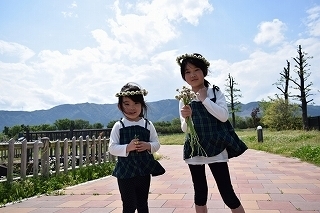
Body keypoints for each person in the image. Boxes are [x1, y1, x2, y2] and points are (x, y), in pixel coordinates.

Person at [176, 53, 247, 213]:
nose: (192, 74)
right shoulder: (184, 98)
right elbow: (184, 129)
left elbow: (223, 116)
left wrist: (204, 100)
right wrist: (186, 118)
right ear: (183, 76)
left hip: (216, 147)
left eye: (196, 69)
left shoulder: (215, 92)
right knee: (200, 192)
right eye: (187, 72)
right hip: (195, 148)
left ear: (204, 71)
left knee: (227, 192)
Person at [108, 82, 165, 213]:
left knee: (142, 203)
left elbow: (156, 144)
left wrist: (148, 146)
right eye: (127, 104)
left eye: (136, 103)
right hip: (125, 172)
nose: (131, 108)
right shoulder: (119, 125)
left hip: (144, 171)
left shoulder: (147, 124)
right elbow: (112, 147)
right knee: (129, 205)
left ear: (142, 105)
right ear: (120, 105)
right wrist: (127, 148)